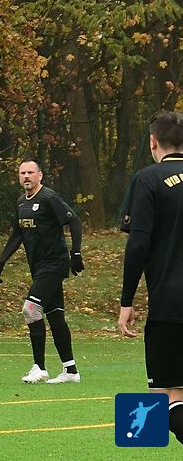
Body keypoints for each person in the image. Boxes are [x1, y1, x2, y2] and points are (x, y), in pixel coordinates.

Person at [119, 110, 183, 445]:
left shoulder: (148, 179)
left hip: (170, 306)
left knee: (161, 398)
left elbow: (138, 243)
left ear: (153, 142)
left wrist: (126, 301)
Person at [0, 159, 84, 384]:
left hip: (54, 264)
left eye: (30, 172)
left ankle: (39, 367)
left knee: (30, 309)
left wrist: (76, 253)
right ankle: (70, 370)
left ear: (40, 175)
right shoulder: (21, 202)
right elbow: (18, 234)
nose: (26, 176)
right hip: (38, 266)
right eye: (22, 173)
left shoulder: (48, 198)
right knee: (55, 316)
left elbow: (74, 221)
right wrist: (1, 261)